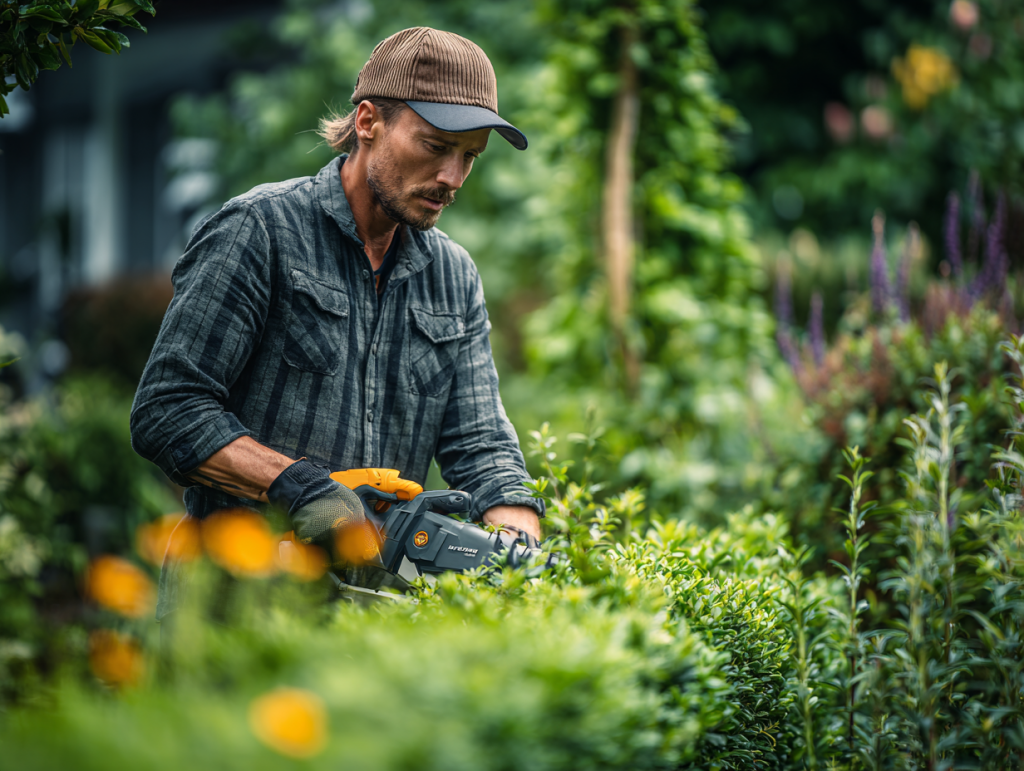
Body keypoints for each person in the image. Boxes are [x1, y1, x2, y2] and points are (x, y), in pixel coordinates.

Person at [130, 27, 543, 617]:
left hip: (370, 619)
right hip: (233, 608)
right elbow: (168, 409)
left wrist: (519, 549)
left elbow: (481, 445)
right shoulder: (260, 231)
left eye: (469, 157)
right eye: (435, 146)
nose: (452, 177)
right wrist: (301, 488)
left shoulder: (452, 276)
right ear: (369, 121)